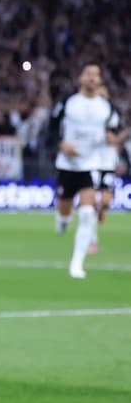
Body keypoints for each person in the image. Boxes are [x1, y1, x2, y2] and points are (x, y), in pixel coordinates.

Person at [49, 63, 121, 278]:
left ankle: (77, 263)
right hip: (67, 165)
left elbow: (116, 127)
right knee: (64, 214)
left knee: (88, 213)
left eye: (96, 75)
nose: (92, 78)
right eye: (88, 74)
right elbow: (51, 128)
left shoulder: (106, 106)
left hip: (90, 165)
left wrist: (112, 136)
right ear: (81, 77)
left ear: (99, 80)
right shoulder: (68, 103)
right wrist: (62, 144)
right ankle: (62, 221)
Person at [88, 84, 127, 254]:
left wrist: (117, 137)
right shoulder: (88, 116)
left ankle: (102, 210)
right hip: (92, 162)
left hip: (108, 162)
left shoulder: (113, 115)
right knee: (90, 202)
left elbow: (116, 137)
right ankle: (92, 241)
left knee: (105, 201)